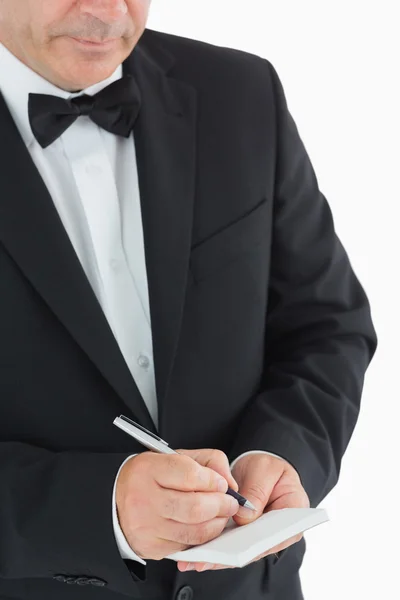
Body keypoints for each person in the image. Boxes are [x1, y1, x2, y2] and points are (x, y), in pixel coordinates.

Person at [0, 1, 377, 599]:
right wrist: (100, 510)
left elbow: (327, 326)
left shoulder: (242, 93)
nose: (103, 9)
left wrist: (280, 452)